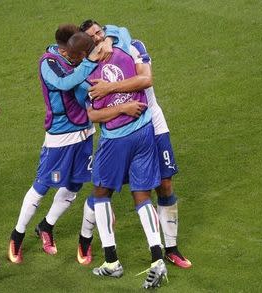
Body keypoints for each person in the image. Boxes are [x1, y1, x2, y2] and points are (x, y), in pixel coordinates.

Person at [7, 24, 143, 264]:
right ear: (68, 48)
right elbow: (65, 84)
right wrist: (90, 64)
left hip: (85, 133)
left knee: (74, 186)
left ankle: (46, 226)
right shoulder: (48, 63)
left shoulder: (81, 57)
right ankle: (17, 235)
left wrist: (109, 42)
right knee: (42, 186)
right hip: (60, 137)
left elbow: (119, 34)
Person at [79, 19, 192, 269]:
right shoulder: (89, 66)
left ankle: (170, 247)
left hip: (153, 123)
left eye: (99, 32)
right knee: (103, 188)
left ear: (106, 31)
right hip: (120, 130)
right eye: (92, 37)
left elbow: (146, 80)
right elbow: (91, 111)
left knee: (164, 184)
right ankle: (85, 238)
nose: (98, 37)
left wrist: (110, 88)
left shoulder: (131, 46)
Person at [67, 32, 167, 289]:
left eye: (72, 56)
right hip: (145, 131)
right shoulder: (123, 48)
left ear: (81, 55)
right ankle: (158, 259)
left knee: (100, 193)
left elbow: (94, 116)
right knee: (142, 195)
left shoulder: (82, 78)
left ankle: (112, 262)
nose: (70, 59)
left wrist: (119, 106)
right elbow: (143, 80)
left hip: (116, 140)